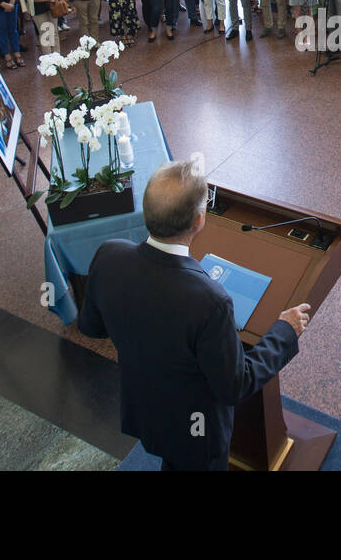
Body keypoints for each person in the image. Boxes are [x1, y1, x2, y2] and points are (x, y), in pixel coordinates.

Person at [78, 161, 309, 471]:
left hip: (144, 408)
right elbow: (235, 386)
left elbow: (91, 327)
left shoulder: (108, 255)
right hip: (196, 433)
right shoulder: (211, 302)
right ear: (200, 220)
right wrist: (285, 331)